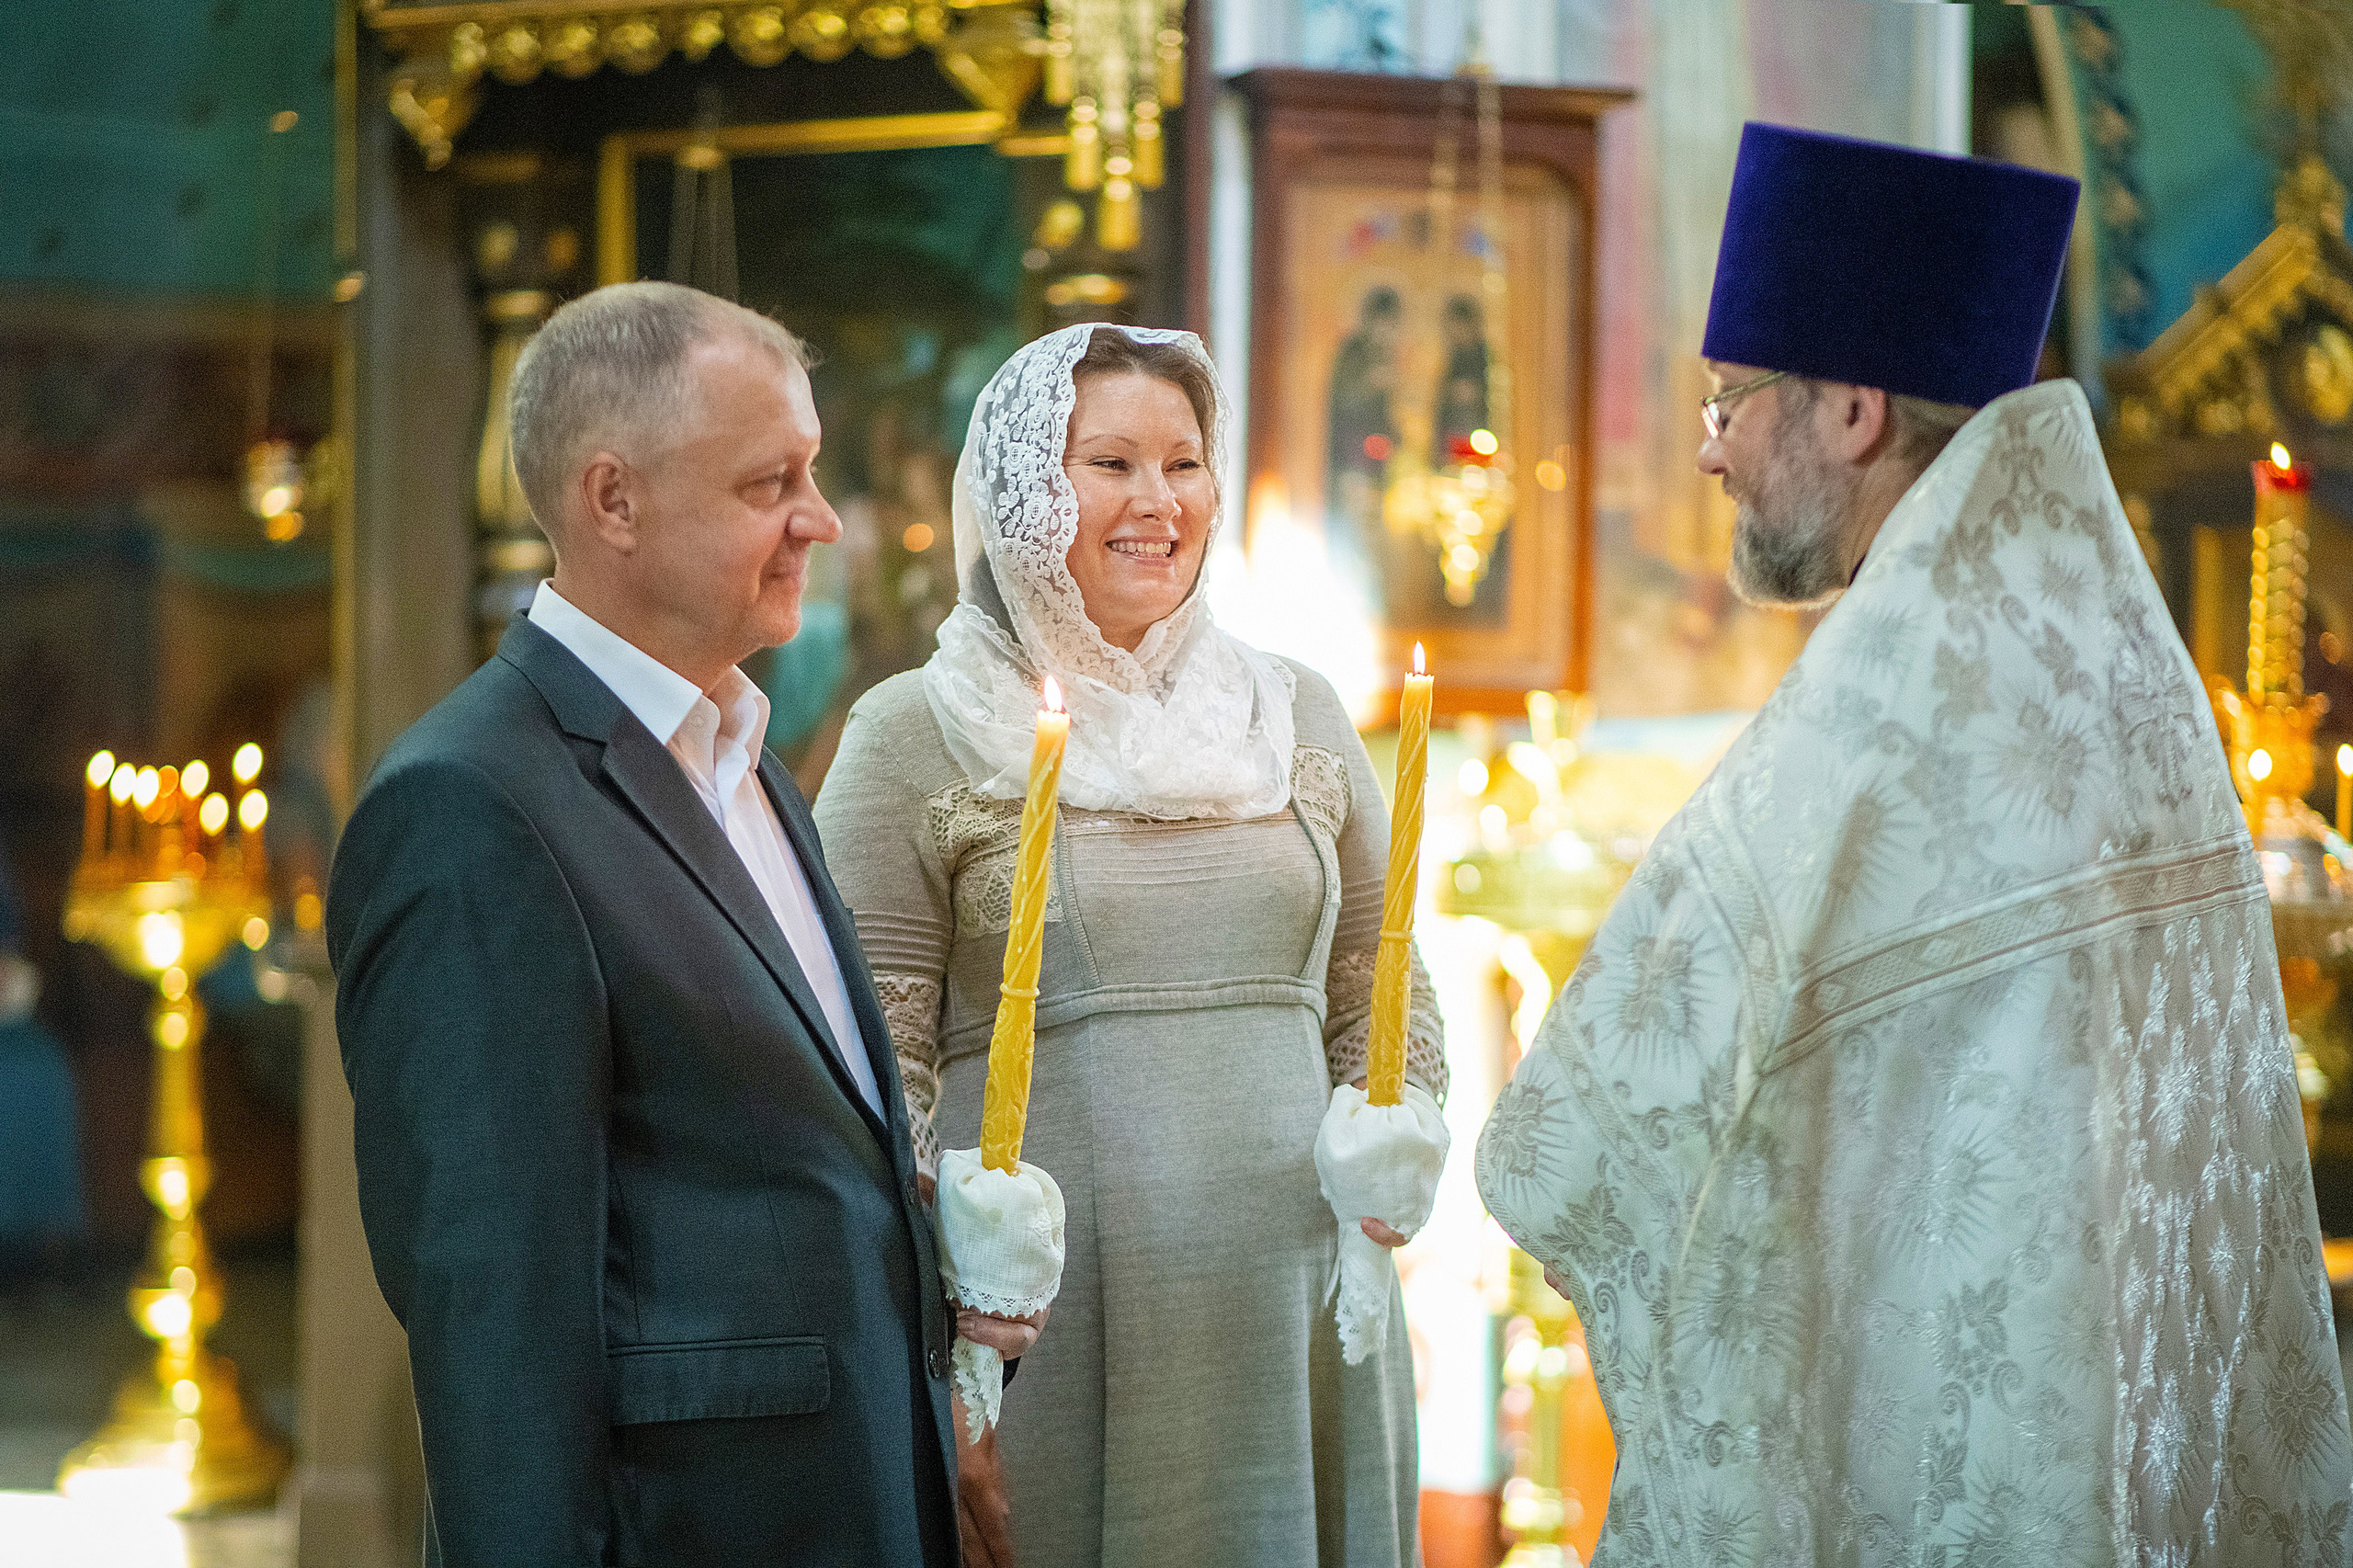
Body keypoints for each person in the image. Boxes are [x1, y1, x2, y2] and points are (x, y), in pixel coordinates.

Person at [1477, 123, 2352, 1560]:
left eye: (1728, 400)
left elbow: (1584, 1121)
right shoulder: (2122, 663)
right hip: (2114, 1429)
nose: (1708, 448)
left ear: (1854, 412)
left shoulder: (1895, 690)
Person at [326, 280, 1040, 1568]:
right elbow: (497, 1329)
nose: (820, 520)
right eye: (770, 484)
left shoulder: (746, 757)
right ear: (614, 502)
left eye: (811, 473)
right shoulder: (470, 805)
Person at [815, 323, 1446, 1566]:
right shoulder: (910, 732)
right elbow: (865, 1081)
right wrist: (946, 1345)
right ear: (1021, 493)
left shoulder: (1297, 710)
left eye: (1185, 463)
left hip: (1295, 1311)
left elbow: (1381, 987)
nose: (1159, 503)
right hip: (1041, 1330)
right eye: (1110, 463)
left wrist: (1399, 1129)